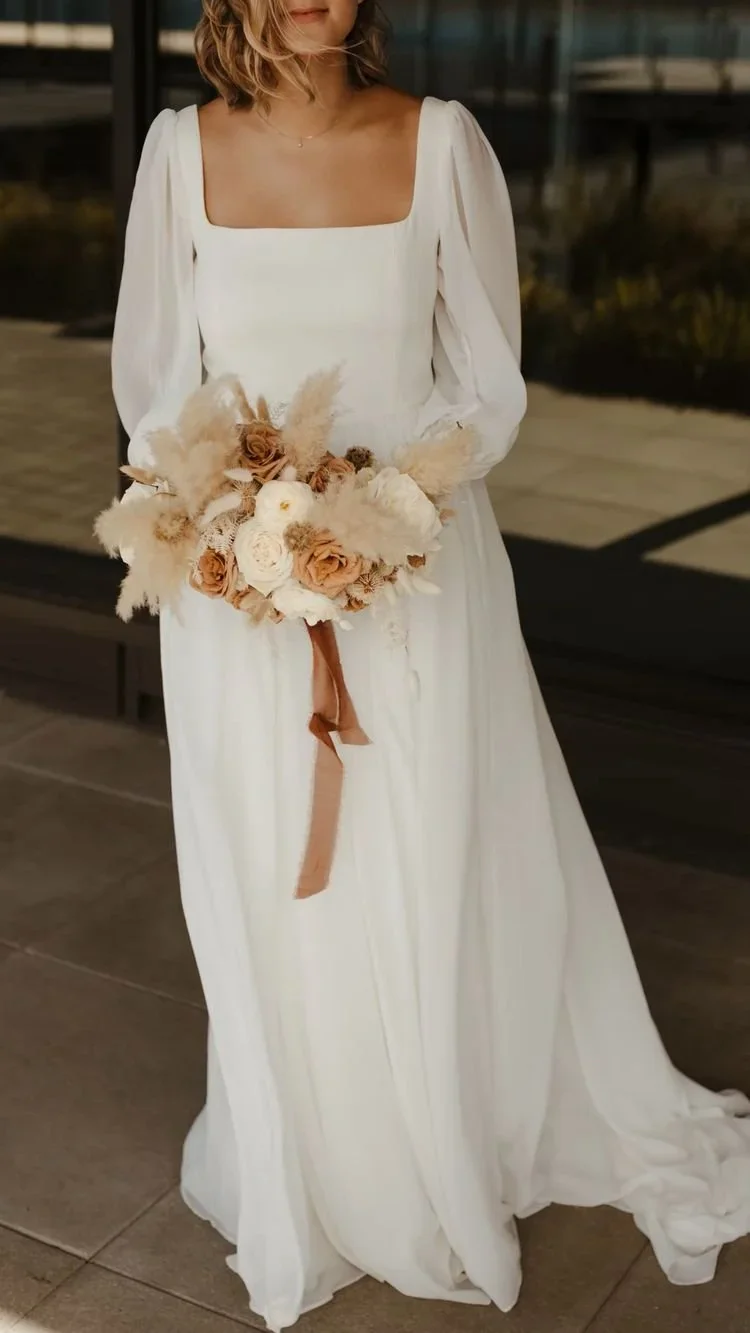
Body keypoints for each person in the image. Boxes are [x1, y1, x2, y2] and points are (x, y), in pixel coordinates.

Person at [111, 3, 750, 1330]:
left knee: (422, 846)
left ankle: (435, 1140)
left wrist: (372, 514)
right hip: (233, 590)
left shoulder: (441, 141)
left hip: (414, 566)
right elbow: (155, 384)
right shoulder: (178, 151)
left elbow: (486, 384)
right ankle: (305, 1155)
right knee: (267, 863)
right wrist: (238, 521)